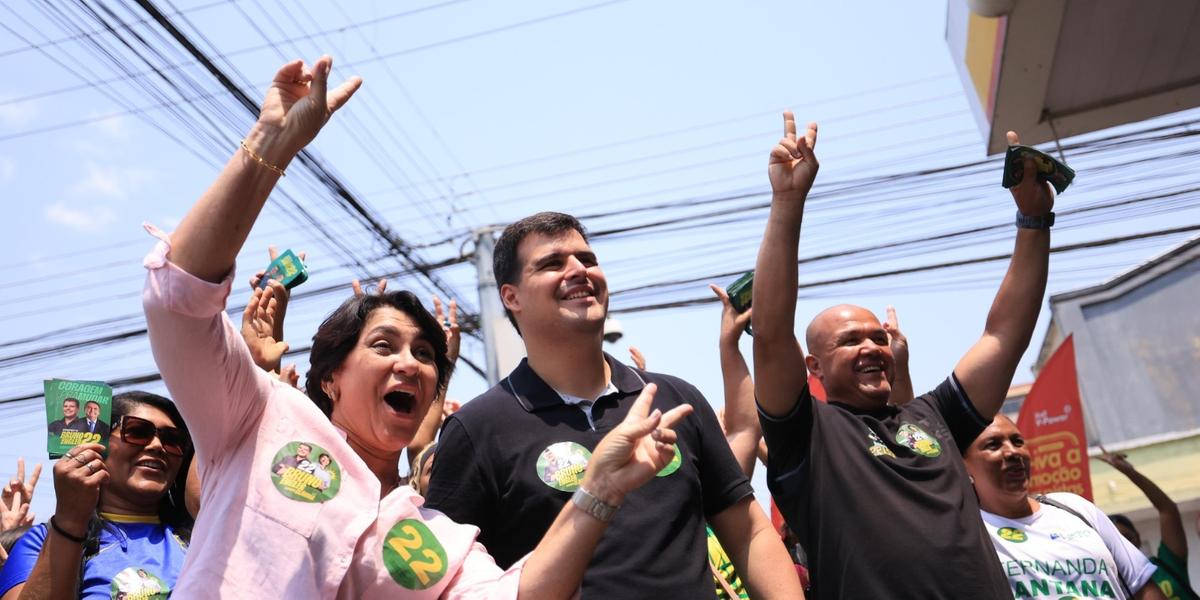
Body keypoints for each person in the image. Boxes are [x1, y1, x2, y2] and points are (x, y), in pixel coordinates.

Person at [143, 54, 692, 598]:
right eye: (385, 345)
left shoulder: (429, 538)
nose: (412, 364)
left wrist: (597, 490)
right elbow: (179, 297)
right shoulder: (257, 416)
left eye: (428, 355)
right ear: (330, 376)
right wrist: (271, 144)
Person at [752, 113, 1055, 598]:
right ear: (814, 367)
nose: (872, 347)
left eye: (877, 337)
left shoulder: (935, 416)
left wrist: (1034, 220)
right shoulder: (805, 435)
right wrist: (788, 200)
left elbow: (1004, 336)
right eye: (850, 340)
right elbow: (769, 333)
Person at [425, 212, 803, 599]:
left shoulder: (674, 398)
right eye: (553, 264)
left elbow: (749, 534)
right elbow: (446, 579)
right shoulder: (478, 428)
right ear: (511, 296)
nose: (579, 271)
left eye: (587, 260)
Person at [0, 391, 194, 599]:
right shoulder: (40, 542)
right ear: (97, 445)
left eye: (172, 440)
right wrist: (70, 521)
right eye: (138, 432)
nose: (157, 446)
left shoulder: (203, 537)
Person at [964, 415, 1166, 599]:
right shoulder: (967, 536)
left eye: (1018, 442)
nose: (1012, 452)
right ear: (964, 466)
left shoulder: (1074, 508)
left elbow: (1143, 589)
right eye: (993, 445)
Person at [1101, 451, 1199, 599]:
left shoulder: (1165, 565)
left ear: (1138, 537)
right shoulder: (1112, 587)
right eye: (1118, 543)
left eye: (1128, 538)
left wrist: (1130, 472)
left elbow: (1168, 510)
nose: (1125, 546)